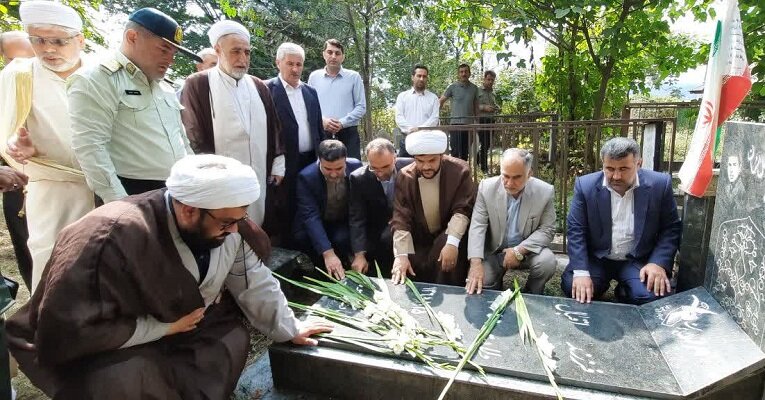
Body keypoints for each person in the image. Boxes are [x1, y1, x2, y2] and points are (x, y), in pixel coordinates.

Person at [6, 154, 332, 399]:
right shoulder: (109, 237)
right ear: (188, 210)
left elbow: (253, 281)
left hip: (189, 327)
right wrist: (162, 328)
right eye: (226, 223)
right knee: (125, 378)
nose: (235, 230)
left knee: (230, 340)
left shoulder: (228, 225)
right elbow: (71, 328)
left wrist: (289, 328)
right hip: (119, 344)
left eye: (240, 219)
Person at [0, 1, 96, 292]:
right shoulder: (20, 75)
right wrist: (18, 149)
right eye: (38, 40)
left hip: (107, 188)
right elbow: (7, 131)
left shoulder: (102, 72)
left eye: (58, 41)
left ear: (80, 40)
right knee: (53, 267)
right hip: (52, 191)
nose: (48, 49)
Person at [68, 8, 201, 203]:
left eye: (174, 53)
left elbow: (182, 141)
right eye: (164, 49)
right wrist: (120, 205)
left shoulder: (164, 86)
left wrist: (194, 185)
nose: (171, 60)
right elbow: (91, 148)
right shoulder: (97, 79)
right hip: (130, 191)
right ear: (132, 37)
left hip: (175, 191)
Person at [181, 20, 284, 236]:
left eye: (247, 52)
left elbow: (274, 126)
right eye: (236, 51)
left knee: (256, 226)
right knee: (223, 229)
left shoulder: (258, 85)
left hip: (258, 172)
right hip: (218, 179)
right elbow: (193, 134)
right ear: (218, 50)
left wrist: (278, 164)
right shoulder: (199, 84)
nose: (243, 59)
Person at [562, 137, 682, 305]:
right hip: (597, 257)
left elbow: (670, 228)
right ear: (603, 164)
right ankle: (601, 285)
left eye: (624, 169)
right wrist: (581, 272)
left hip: (638, 259)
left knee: (651, 296)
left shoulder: (660, 185)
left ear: (639, 164)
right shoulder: (585, 186)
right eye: (609, 169)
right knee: (573, 287)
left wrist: (658, 263)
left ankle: (625, 290)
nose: (616, 176)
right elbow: (576, 230)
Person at [390, 130, 475, 286]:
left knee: (446, 255)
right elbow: (401, 217)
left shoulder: (460, 170)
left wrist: (452, 243)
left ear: (441, 156)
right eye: (420, 161)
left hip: (449, 232)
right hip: (420, 235)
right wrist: (401, 255)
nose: (426, 166)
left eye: (432, 160)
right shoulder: (405, 175)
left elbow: (462, 210)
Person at [466, 148, 556, 295]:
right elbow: (478, 226)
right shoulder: (486, 188)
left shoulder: (544, 192)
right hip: (496, 251)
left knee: (547, 262)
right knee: (484, 281)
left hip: (527, 251)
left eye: (516, 177)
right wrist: (475, 263)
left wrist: (518, 251)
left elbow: (547, 229)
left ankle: (532, 293)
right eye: (505, 176)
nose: (509, 183)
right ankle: (495, 288)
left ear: (529, 174)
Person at [267, 42, 324, 246]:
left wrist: (322, 157)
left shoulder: (310, 92)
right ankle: (288, 249)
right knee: (286, 207)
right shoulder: (266, 90)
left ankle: (311, 248)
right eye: (290, 63)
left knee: (311, 205)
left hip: (311, 160)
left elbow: (318, 128)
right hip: (283, 163)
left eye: (299, 64)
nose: (295, 69)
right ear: (278, 63)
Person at [293, 140, 362, 280]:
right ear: (319, 161)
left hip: (342, 220)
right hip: (317, 220)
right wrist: (328, 253)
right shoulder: (306, 177)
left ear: (346, 160)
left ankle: (345, 268)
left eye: (339, 168)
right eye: (328, 169)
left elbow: (360, 207)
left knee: (341, 239)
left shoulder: (356, 167)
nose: (334, 174)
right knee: (302, 237)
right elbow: (310, 216)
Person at [349, 138, 412, 276]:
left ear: (395, 157)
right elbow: (357, 217)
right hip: (379, 228)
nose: (380, 173)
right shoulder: (358, 178)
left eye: (385, 167)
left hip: (409, 222)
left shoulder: (410, 167)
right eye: (374, 168)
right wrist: (359, 254)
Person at [307, 39, 366, 159]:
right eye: (330, 52)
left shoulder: (354, 77)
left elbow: (361, 106)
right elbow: (309, 106)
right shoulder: (314, 77)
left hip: (348, 134)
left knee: (352, 167)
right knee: (322, 167)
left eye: (337, 53)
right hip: (322, 133)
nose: (333, 56)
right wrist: (322, 120)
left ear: (343, 57)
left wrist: (342, 123)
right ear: (324, 54)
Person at [394, 64, 440, 157]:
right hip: (407, 140)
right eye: (419, 76)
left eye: (424, 76)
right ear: (412, 77)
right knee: (405, 165)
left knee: (426, 166)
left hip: (426, 141)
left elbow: (434, 119)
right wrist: (411, 129)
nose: (421, 79)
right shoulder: (402, 96)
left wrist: (420, 129)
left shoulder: (433, 98)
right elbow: (399, 117)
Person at [439, 63, 478, 161]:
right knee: (455, 151)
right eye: (461, 72)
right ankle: (454, 170)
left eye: (466, 71)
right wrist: (435, 116)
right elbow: (441, 101)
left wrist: (477, 123)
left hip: (469, 125)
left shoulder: (474, 88)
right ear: (458, 74)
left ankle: (463, 170)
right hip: (455, 125)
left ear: (469, 73)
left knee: (465, 152)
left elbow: (476, 107)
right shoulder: (452, 87)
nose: (463, 74)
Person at [477, 70, 499, 172]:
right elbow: (472, 106)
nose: (490, 82)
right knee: (484, 144)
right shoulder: (477, 91)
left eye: (492, 80)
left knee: (487, 145)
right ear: (484, 79)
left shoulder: (493, 93)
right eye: (488, 79)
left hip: (491, 121)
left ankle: (478, 163)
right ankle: (484, 168)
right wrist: (483, 107)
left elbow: (493, 105)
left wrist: (496, 107)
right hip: (481, 120)